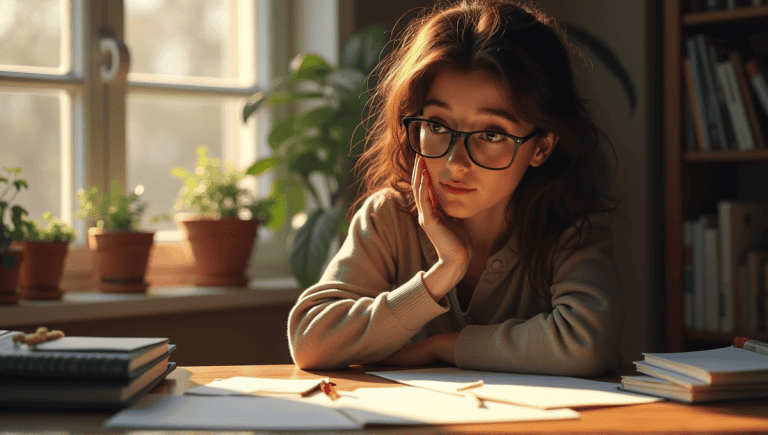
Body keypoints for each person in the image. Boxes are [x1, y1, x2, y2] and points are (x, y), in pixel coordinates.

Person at [287, 0, 624, 376]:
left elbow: (587, 345)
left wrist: (443, 348)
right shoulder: (390, 216)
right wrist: (441, 275)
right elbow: (310, 341)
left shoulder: (570, 227)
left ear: (541, 146)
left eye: (491, 133)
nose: (456, 162)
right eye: (437, 126)